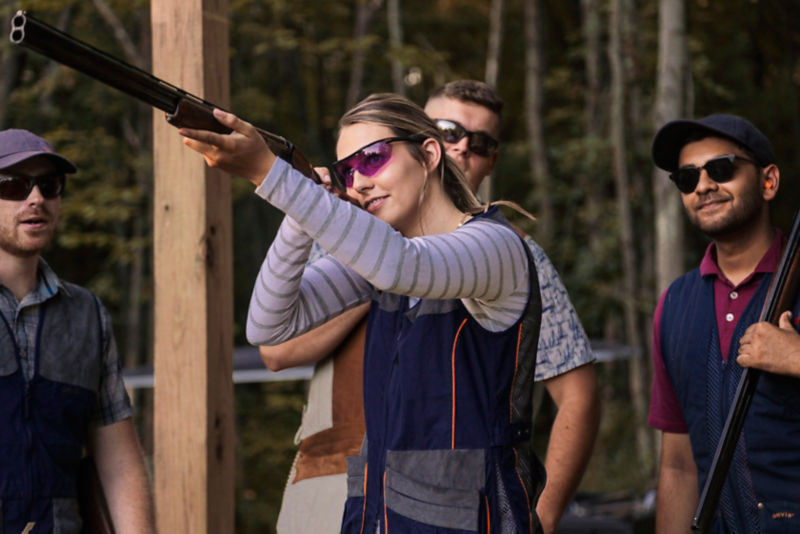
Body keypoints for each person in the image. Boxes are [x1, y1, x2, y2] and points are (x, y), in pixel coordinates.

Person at [180, 94, 545, 532]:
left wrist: (270, 174)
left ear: (429, 154)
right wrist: (300, 212)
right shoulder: (384, 258)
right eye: (347, 171)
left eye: (372, 159)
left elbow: (403, 266)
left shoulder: (494, 246)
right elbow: (269, 326)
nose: (358, 184)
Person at [425, 80, 599, 534]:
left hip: (472, 506)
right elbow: (277, 349)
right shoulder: (359, 228)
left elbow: (578, 395)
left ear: (492, 160)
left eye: (480, 143)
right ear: (418, 137)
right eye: (448, 131)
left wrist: (541, 518)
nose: (462, 147)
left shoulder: (518, 254)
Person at [648, 114, 800, 533]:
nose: (703, 186)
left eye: (721, 169)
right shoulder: (675, 304)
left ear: (768, 181)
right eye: (687, 178)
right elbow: (679, 465)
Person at [0, 129, 154, 533]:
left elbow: (119, 463)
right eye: (13, 185)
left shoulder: (87, 315)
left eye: (49, 185)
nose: (36, 198)